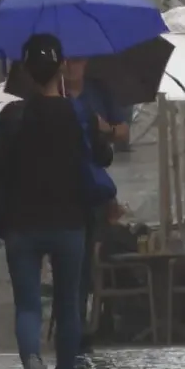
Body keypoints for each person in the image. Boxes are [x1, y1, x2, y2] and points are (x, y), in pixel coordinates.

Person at [0, 34, 113, 369]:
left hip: (22, 224)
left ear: (25, 70)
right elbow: (102, 156)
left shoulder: (13, 115)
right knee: (68, 303)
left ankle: (32, 363)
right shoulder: (79, 113)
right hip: (70, 223)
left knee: (27, 305)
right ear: (60, 67)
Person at [61, 57, 129, 353]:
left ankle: (77, 323)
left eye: (76, 61)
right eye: (66, 61)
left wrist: (105, 129)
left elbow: (123, 131)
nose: (71, 66)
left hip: (90, 190)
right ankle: (70, 323)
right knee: (65, 261)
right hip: (60, 190)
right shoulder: (54, 95)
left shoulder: (97, 92)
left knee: (85, 262)